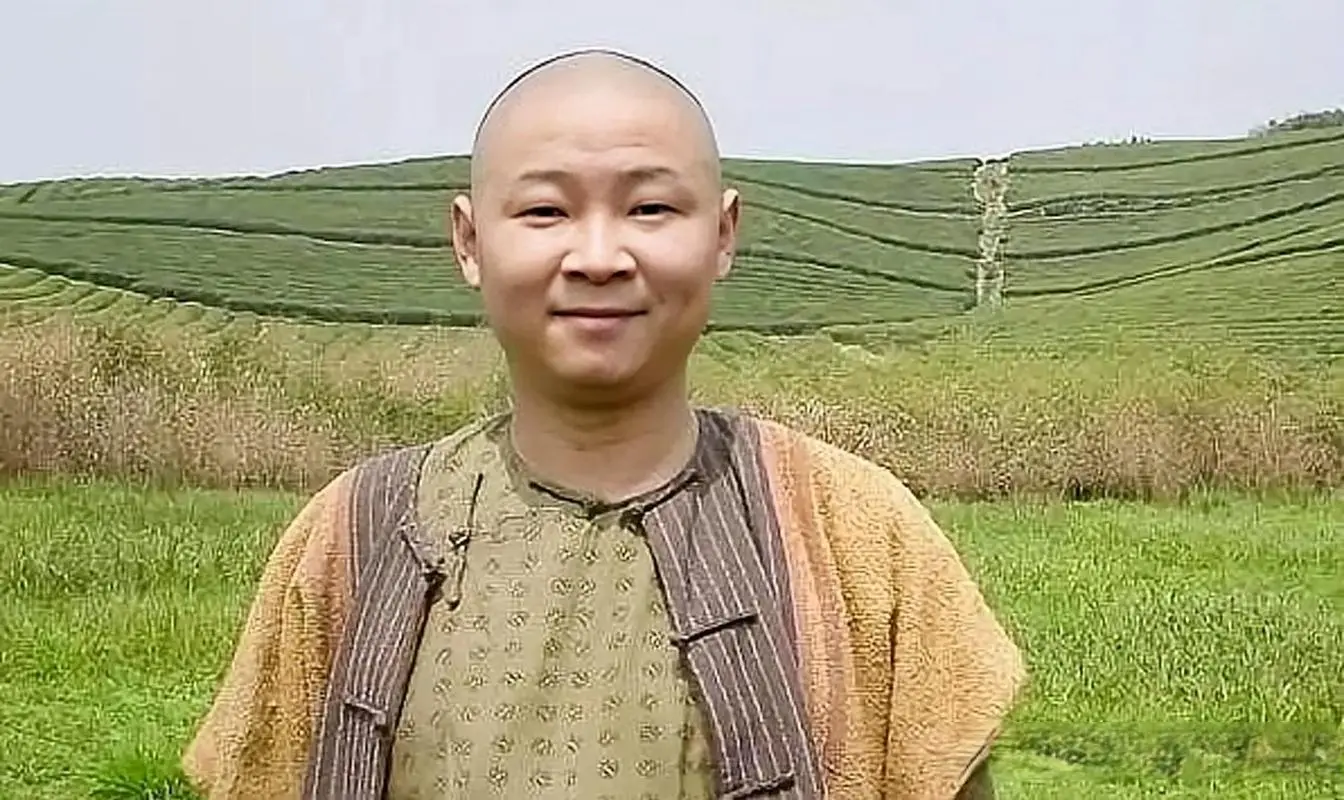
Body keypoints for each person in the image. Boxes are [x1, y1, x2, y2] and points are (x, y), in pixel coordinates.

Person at [181, 48, 1025, 800]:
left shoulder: (857, 533)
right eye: (545, 212)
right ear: (470, 242)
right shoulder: (353, 536)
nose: (597, 257)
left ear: (723, 235)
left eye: (650, 209)